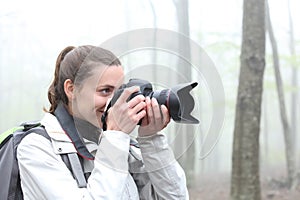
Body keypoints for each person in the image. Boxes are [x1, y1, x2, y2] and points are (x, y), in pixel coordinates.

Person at [17, 45, 189, 199]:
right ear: (71, 89)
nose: (115, 102)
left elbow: (176, 197)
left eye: (119, 91)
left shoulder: (121, 145)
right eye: (105, 91)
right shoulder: (36, 147)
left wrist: (151, 140)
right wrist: (115, 137)